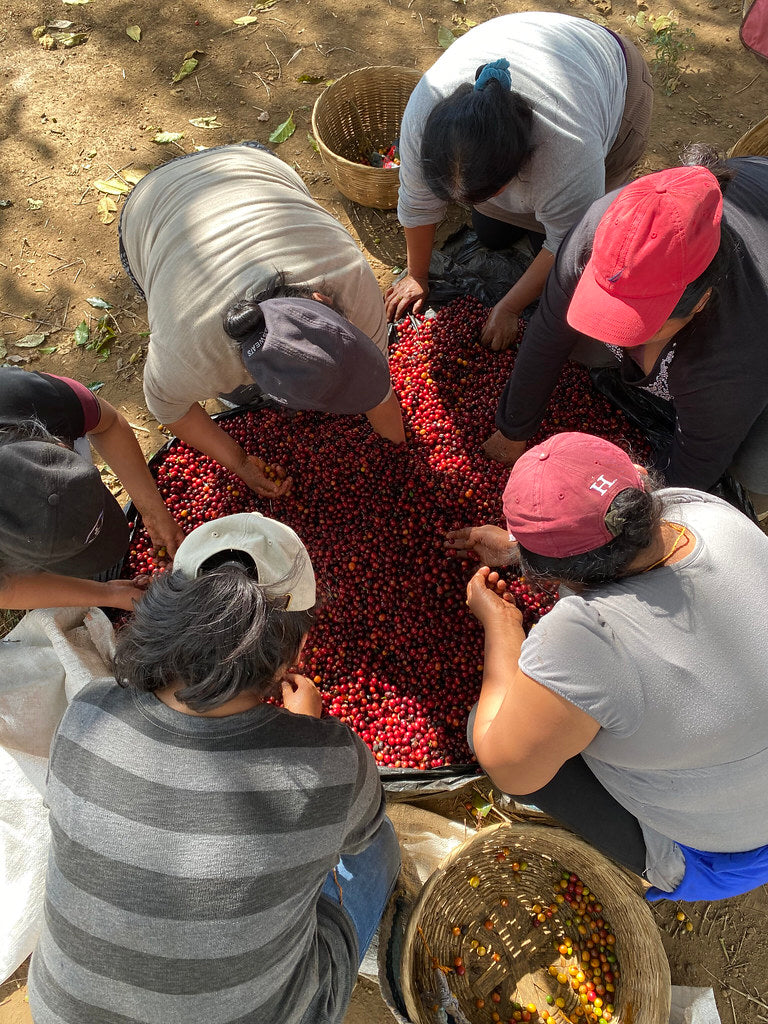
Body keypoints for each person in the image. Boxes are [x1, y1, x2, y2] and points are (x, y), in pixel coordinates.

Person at [28, 511, 400, 1024]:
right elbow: (359, 830)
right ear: (293, 652)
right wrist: (305, 738)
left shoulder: (89, 711)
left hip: (61, 1013)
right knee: (378, 847)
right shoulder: (329, 765)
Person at [447, 432, 768, 901]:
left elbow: (509, 769)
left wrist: (503, 629)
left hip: (723, 854)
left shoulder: (587, 639)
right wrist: (523, 547)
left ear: (548, 574)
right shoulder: (702, 511)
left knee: (491, 726)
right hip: (742, 774)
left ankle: (654, 866)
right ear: (639, 484)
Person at [484, 155, 768, 516]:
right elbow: (548, 330)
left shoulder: (736, 345)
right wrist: (513, 429)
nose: (623, 341)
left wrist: (613, 520)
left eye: (641, 326)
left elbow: (693, 464)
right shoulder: (602, 226)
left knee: (755, 468)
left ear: (699, 305)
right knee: (583, 345)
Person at [119, 143, 406, 499]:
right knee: (232, 391)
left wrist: (401, 460)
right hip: (151, 208)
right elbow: (169, 410)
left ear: (324, 299)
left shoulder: (349, 276)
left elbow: (378, 392)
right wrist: (239, 461)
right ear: (251, 372)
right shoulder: (188, 355)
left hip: (247, 163)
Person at [384, 11, 653, 349]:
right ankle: (537, 216)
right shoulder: (423, 120)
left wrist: (511, 306)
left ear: (518, 165)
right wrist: (417, 275)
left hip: (614, 77)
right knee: (492, 234)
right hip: (530, 44)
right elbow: (417, 201)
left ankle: (546, 214)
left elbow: (570, 241)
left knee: (580, 242)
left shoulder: (569, 151)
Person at [0, 367, 182, 611]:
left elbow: (108, 424)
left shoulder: (30, 397)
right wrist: (108, 594)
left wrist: (153, 513)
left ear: (59, 445)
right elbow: (6, 588)